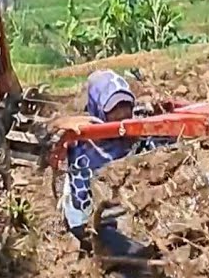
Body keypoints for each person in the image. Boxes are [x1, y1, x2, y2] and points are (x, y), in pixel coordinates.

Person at [55, 70, 160, 259]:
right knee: (135, 254)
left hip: (123, 211)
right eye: (114, 108)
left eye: (126, 106)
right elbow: (83, 202)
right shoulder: (83, 141)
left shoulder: (136, 135)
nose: (122, 114)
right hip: (88, 218)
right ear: (99, 109)